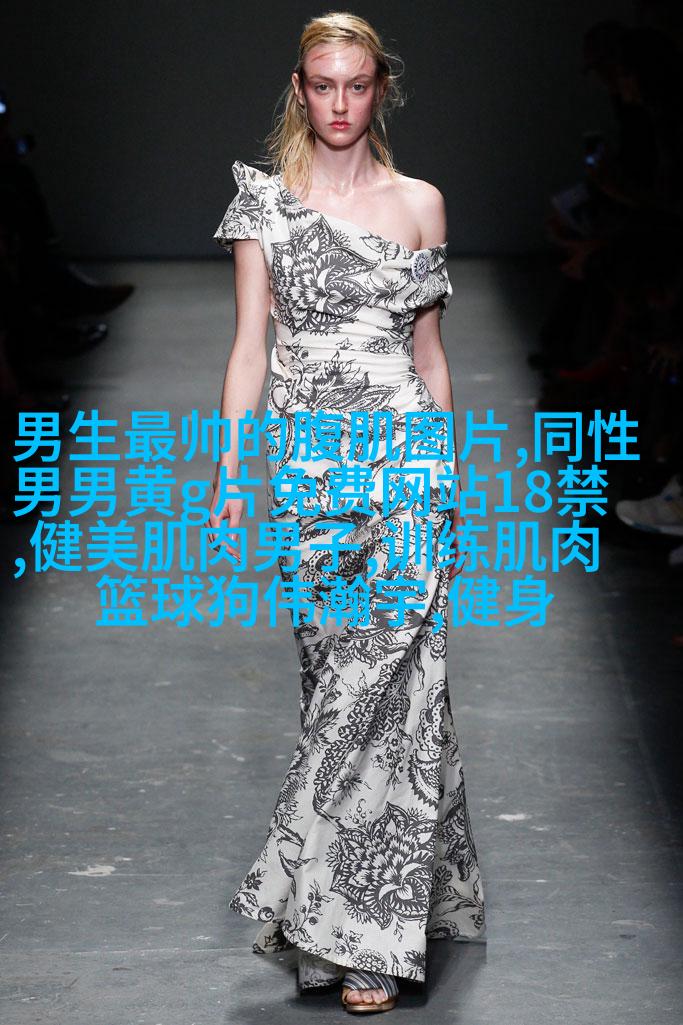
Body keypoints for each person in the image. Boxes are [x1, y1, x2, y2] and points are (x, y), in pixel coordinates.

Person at [207, 11, 486, 1014]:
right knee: (335, 691)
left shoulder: (419, 204)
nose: (338, 102)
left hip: (404, 467)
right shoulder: (264, 206)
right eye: (321, 84)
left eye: (355, 85)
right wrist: (231, 467)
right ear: (299, 89)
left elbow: (429, 357)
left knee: (394, 695)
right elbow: (250, 346)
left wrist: (446, 476)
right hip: (311, 476)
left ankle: (367, 940)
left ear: (379, 90)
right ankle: (347, 908)